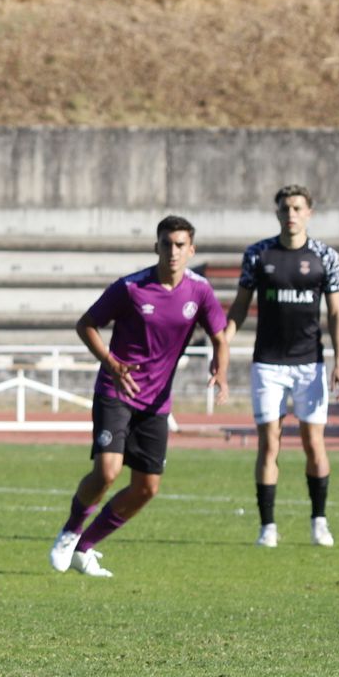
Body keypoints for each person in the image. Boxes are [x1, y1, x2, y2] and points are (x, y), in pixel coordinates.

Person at [48, 215, 230, 578]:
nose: (173, 251)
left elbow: (220, 335)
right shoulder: (131, 287)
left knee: (146, 488)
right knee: (107, 470)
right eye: (167, 243)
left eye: (180, 245)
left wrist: (220, 369)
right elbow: (86, 323)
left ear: (191, 249)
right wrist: (111, 363)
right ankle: (70, 532)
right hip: (116, 390)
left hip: (156, 402)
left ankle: (86, 547)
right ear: (156, 246)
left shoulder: (200, 290)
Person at [223, 184, 339, 548]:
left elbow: (336, 312)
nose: (290, 214)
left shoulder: (325, 256)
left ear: (309, 212)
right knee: (269, 445)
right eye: (285, 209)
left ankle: (319, 521)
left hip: (310, 364)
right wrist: (224, 341)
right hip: (268, 364)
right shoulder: (258, 255)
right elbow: (241, 306)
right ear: (277, 213)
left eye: (297, 208)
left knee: (314, 443)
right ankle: (268, 527)